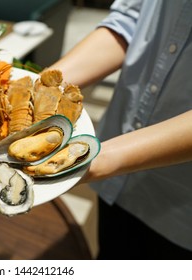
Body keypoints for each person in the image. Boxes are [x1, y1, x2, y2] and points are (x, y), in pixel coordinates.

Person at [49, 0, 192, 259]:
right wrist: (43, 88)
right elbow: (129, 20)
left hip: (182, 206)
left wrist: (102, 158)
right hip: (116, 178)